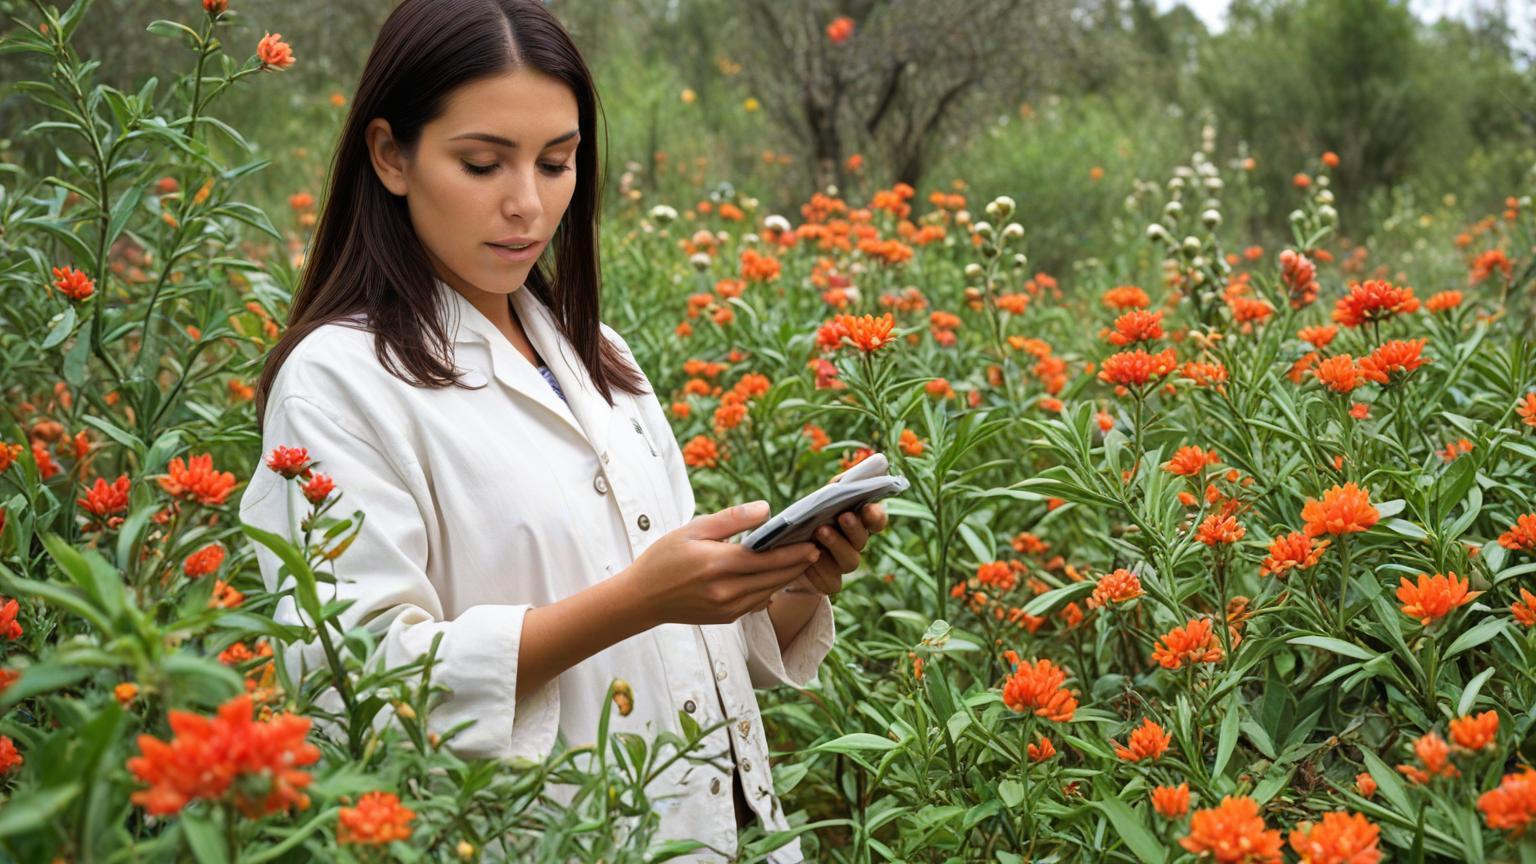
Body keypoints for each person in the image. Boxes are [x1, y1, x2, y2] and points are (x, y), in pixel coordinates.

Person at [236, 0, 888, 860]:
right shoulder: (337, 381)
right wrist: (637, 600)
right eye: (482, 164)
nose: (526, 205)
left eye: (556, 162)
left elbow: (686, 646)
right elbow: (356, 681)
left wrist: (793, 580)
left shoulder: (595, 354)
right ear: (391, 155)